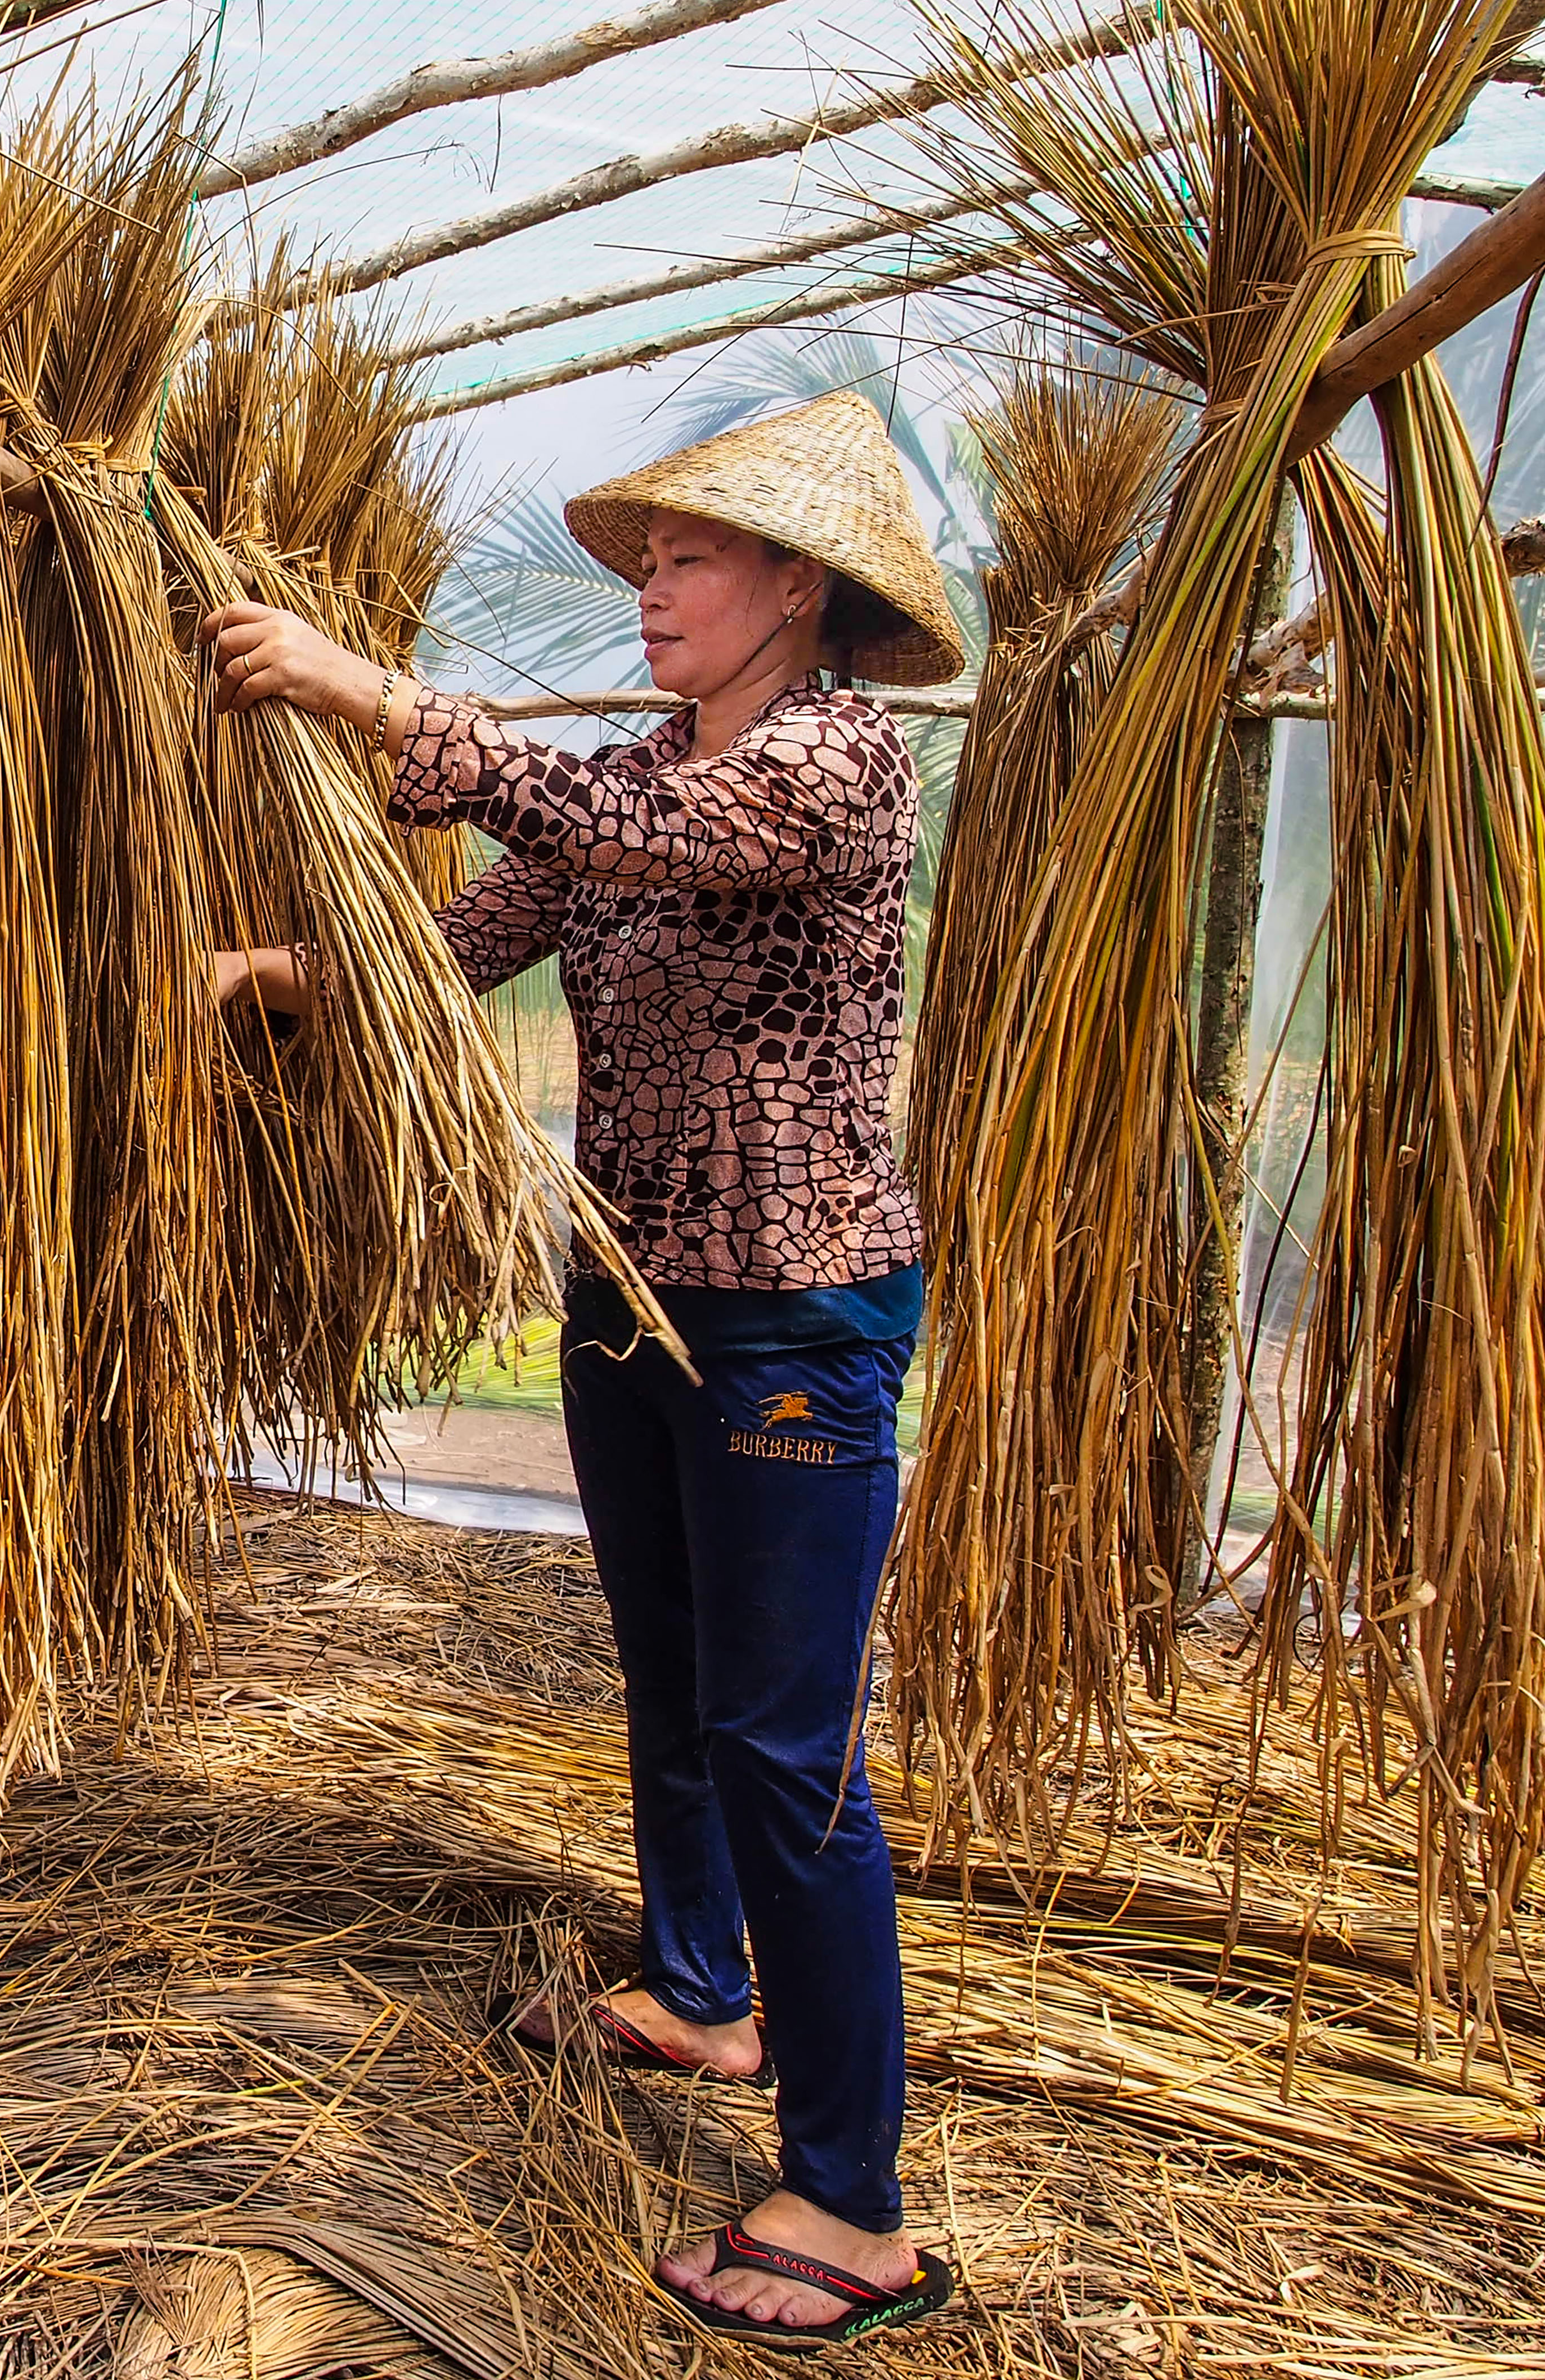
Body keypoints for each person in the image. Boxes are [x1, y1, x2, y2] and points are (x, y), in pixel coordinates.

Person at [200, 389, 962, 2354]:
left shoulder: (835, 767)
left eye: (689, 560)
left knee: (791, 1754)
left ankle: (854, 2203)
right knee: (676, 1669)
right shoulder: (640, 770)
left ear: (798, 587)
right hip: (632, 1298)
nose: (654, 592)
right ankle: (705, 1990)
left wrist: (368, 694)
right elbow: (473, 934)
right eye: (644, 564)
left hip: (792, 1316)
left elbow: (629, 831)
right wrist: (251, 984)